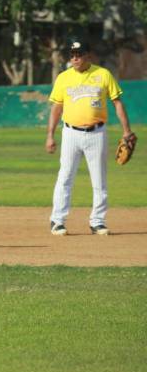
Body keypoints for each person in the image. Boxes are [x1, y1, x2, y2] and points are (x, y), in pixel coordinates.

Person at [45, 40, 135, 236]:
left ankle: (97, 221)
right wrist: (50, 135)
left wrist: (126, 130)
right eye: (72, 54)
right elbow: (56, 108)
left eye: (79, 54)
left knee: (99, 179)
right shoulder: (63, 78)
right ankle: (58, 221)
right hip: (70, 133)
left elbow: (117, 103)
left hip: (97, 133)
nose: (75, 58)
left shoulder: (103, 75)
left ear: (88, 55)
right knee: (65, 176)